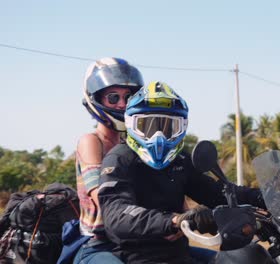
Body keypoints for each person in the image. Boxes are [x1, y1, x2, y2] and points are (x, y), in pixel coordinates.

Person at [98, 81, 266, 263]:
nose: (158, 136)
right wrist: (175, 220)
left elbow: (216, 193)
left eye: (168, 126)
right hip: (136, 258)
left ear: (182, 126)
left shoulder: (180, 161)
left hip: (178, 256)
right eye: (147, 126)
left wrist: (264, 196)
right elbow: (116, 213)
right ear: (132, 124)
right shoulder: (119, 159)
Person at [73, 57, 144, 264]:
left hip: (141, 239)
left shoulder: (135, 143)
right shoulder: (91, 142)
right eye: (113, 98)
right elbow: (102, 197)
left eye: (128, 97)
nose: (122, 104)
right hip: (99, 244)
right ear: (96, 99)